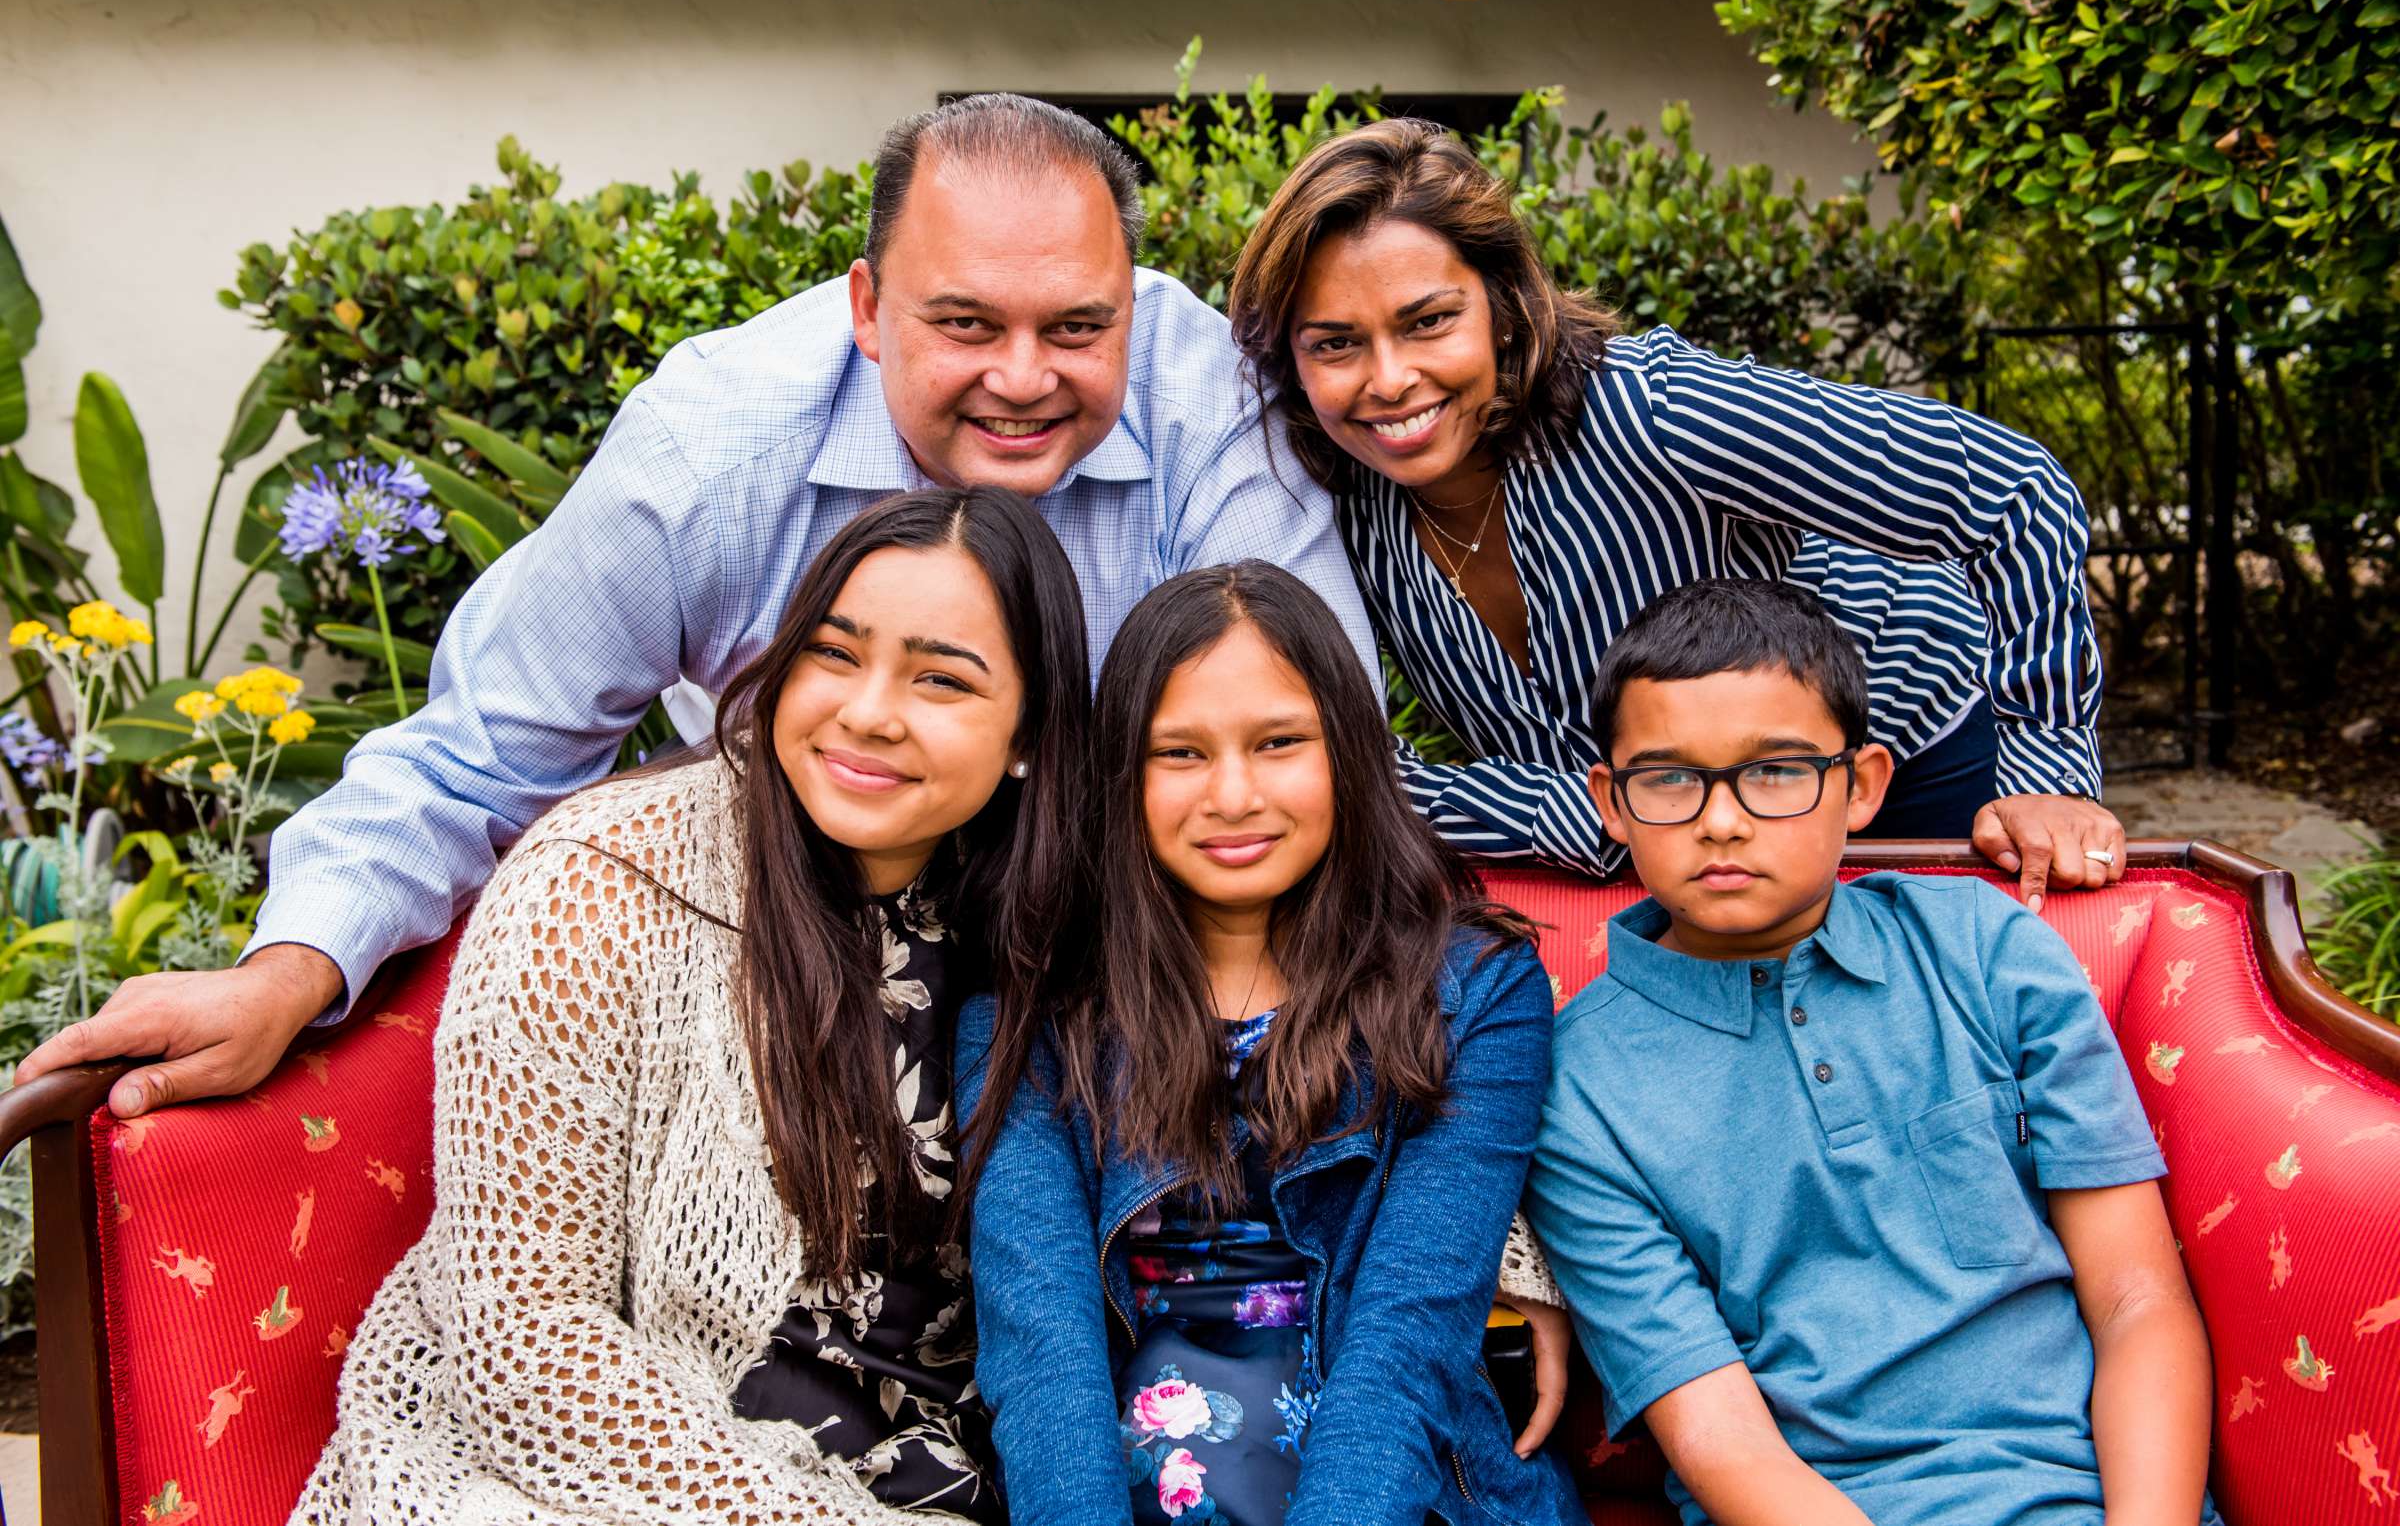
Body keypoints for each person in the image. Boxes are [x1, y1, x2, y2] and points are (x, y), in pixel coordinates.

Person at [20, 93, 1374, 1120]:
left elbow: (1317, 744)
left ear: (1130, 308)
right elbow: (480, 751)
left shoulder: (1202, 399)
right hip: (792, 993)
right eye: (965, 323)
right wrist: (287, 968)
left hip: (1122, 993)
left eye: (1077, 327)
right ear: (866, 307)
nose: (1023, 377)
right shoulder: (707, 457)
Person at [293, 488, 1089, 1524]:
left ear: (1027, 735)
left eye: (942, 679)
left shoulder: (1044, 915)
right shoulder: (601, 887)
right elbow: (522, 1342)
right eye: (835, 655)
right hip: (607, 1483)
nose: (869, 712)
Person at [1224, 117, 2127, 904]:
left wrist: (2048, 775)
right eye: (1336, 344)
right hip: (1667, 845)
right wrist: (1568, 812)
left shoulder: (1655, 412)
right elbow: (1353, 772)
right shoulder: (1338, 512)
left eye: (1428, 322)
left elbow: (2011, 488)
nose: (1389, 381)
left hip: (1919, 779)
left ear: (1502, 309)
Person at [1522, 577, 2217, 1526]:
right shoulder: (1577, 1085)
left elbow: (2139, 1299)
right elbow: (1716, 1433)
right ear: (1611, 801)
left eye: (1776, 771)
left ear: (1861, 787)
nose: (1721, 820)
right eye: (1671, 778)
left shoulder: (1985, 950)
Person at [962, 561, 1582, 1526]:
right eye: (1181, 753)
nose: (1235, 795)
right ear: (1120, 774)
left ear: (1349, 751)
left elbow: (1409, 1338)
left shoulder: (1473, 990)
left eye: (1279, 742)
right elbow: (1041, 1348)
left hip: (1393, 1487)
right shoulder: (1030, 1015)